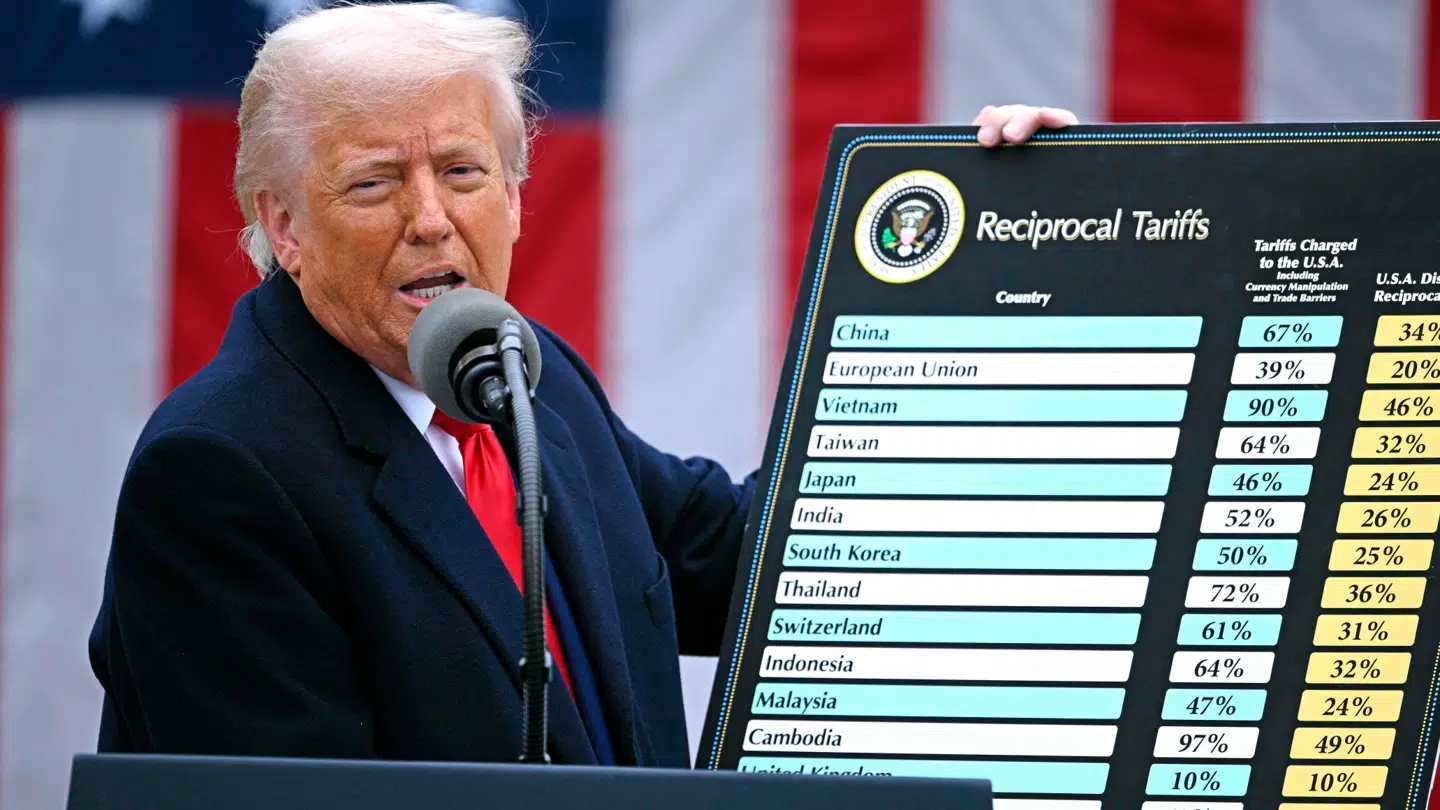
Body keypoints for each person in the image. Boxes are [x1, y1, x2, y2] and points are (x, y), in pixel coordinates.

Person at [87, 2, 1076, 766]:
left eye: (464, 171)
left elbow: (764, 563)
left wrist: (993, 261)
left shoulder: (527, 376)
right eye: (375, 182)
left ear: (516, 197)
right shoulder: (219, 471)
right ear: (285, 226)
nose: (431, 219)